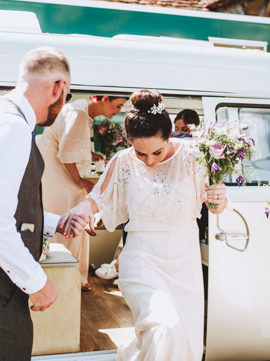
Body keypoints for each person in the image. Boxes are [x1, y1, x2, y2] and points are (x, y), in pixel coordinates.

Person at [0, 47, 85, 360]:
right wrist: (36, 282)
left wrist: (54, 222)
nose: (63, 105)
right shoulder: (11, 127)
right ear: (58, 88)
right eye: (67, 95)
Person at [70, 89, 228, 360]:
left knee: (181, 339)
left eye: (156, 151)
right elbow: (97, 198)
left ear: (169, 136)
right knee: (163, 330)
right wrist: (79, 210)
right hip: (142, 260)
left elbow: (215, 206)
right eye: (141, 153)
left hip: (184, 265)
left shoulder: (194, 157)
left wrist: (218, 198)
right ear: (130, 142)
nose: (150, 160)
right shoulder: (123, 161)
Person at [36, 95, 128, 291]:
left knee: (76, 207)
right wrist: (78, 180)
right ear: (103, 99)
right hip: (54, 168)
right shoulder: (78, 110)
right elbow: (64, 152)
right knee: (67, 210)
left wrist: (91, 154)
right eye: (118, 105)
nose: (119, 111)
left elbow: (69, 143)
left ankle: (75, 274)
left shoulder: (83, 112)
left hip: (58, 164)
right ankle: (61, 276)